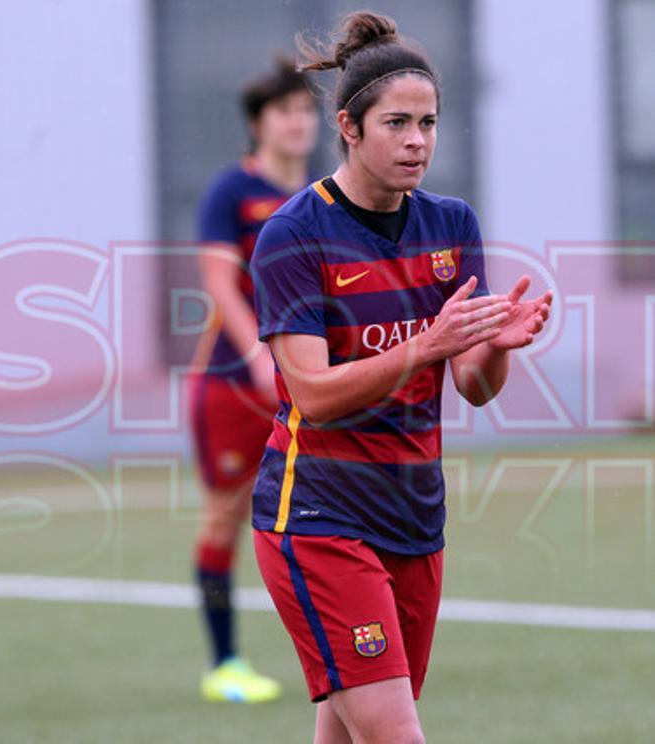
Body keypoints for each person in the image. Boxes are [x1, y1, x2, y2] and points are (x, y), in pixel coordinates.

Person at [249, 12, 553, 743]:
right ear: (349, 127)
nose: (418, 140)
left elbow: (474, 385)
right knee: (395, 736)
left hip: (415, 517)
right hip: (318, 517)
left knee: (352, 732)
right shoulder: (294, 234)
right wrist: (427, 345)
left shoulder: (451, 225)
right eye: (397, 123)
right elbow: (313, 396)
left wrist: (497, 345)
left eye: (429, 122)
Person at [189, 57, 318, 703]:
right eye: (285, 111)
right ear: (259, 123)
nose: (298, 122)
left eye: (305, 111)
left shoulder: (323, 196)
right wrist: (263, 359)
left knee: (324, 510)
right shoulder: (231, 193)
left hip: (307, 383)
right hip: (232, 384)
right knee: (225, 518)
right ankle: (225, 663)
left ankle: (346, 650)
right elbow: (220, 285)